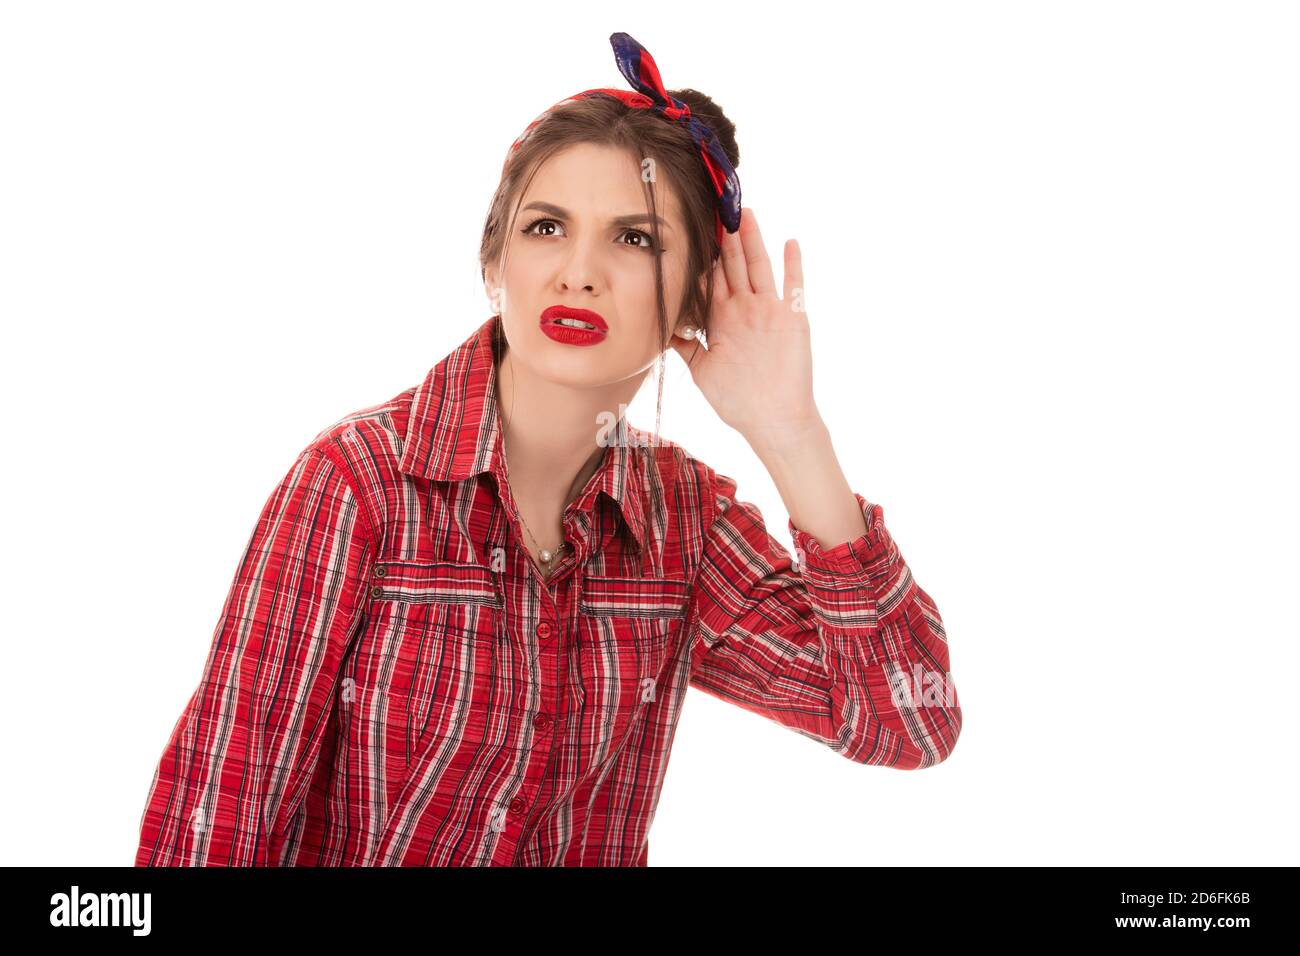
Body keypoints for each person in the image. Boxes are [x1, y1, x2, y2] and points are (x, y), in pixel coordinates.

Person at [133, 32, 961, 868]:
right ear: (496, 260)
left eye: (635, 240)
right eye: (546, 227)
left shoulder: (686, 525)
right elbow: (215, 824)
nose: (579, 272)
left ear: (694, 301)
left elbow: (909, 724)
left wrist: (791, 434)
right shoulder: (359, 485)